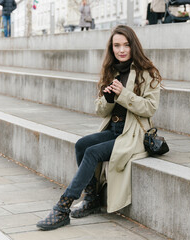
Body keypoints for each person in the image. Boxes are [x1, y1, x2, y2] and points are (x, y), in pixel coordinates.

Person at [36, 25, 162, 231]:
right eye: (116, 46)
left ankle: (62, 207)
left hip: (133, 134)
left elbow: (150, 108)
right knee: (82, 145)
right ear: (111, 49)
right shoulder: (111, 71)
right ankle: (92, 198)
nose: (121, 50)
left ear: (134, 46)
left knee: (93, 152)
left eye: (126, 45)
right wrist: (109, 98)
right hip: (113, 130)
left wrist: (124, 94)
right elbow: (100, 111)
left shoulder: (147, 73)